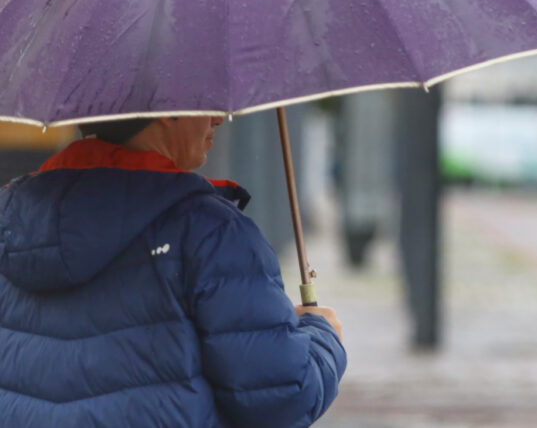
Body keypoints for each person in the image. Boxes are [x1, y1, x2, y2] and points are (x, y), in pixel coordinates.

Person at [0, 116, 346, 427]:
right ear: (167, 112)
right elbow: (280, 398)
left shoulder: (12, 223)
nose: (218, 118)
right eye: (206, 102)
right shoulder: (210, 233)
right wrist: (322, 335)